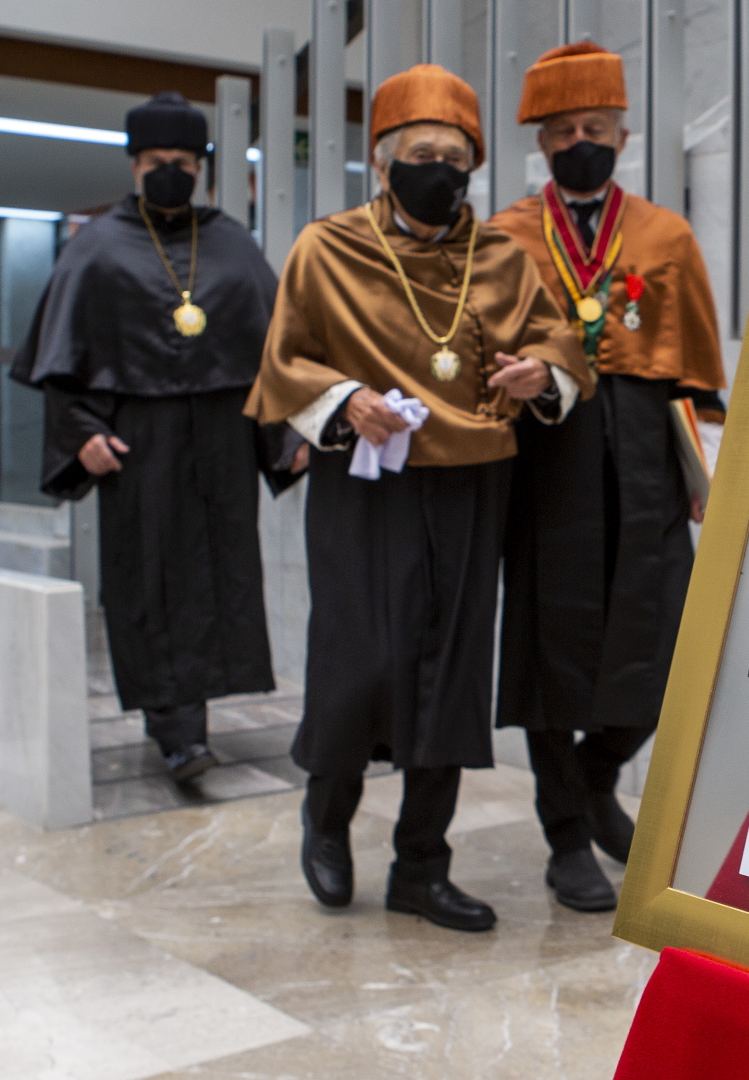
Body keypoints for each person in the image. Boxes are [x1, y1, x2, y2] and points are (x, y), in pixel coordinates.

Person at [244, 64, 593, 932]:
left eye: (455, 157)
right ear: (383, 160)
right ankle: (326, 819)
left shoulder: (502, 257)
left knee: (451, 669)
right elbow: (284, 361)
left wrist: (538, 372)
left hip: (473, 482)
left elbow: (561, 346)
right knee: (358, 661)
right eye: (422, 154)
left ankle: (422, 866)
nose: (439, 170)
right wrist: (342, 399)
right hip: (368, 482)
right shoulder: (327, 249)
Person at [490, 41, 728, 912]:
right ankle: (565, 834)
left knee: (669, 647)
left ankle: (596, 780)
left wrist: (704, 473)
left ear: (622, 138)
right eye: (563, 131)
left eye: (595, 127)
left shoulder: (666, 234)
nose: (579, 142)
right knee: (551, 651)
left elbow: (695, 371)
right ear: (541, 143)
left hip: (644, 457)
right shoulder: (506, 236)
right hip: (547, 454)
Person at [11, 91, 296, 783]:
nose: (172, 172)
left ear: (201, 168)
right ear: (134, 165)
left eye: (185, 163)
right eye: (158, 161)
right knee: (151, 578)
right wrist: (82, 433)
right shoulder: (98, 245)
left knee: (218, 573)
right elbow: (62, 362)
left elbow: (272, 351)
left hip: (223, 437)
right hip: (141, 442)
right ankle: (175, 730)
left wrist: (286, 439)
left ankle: (195, 717)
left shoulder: (231, 242)